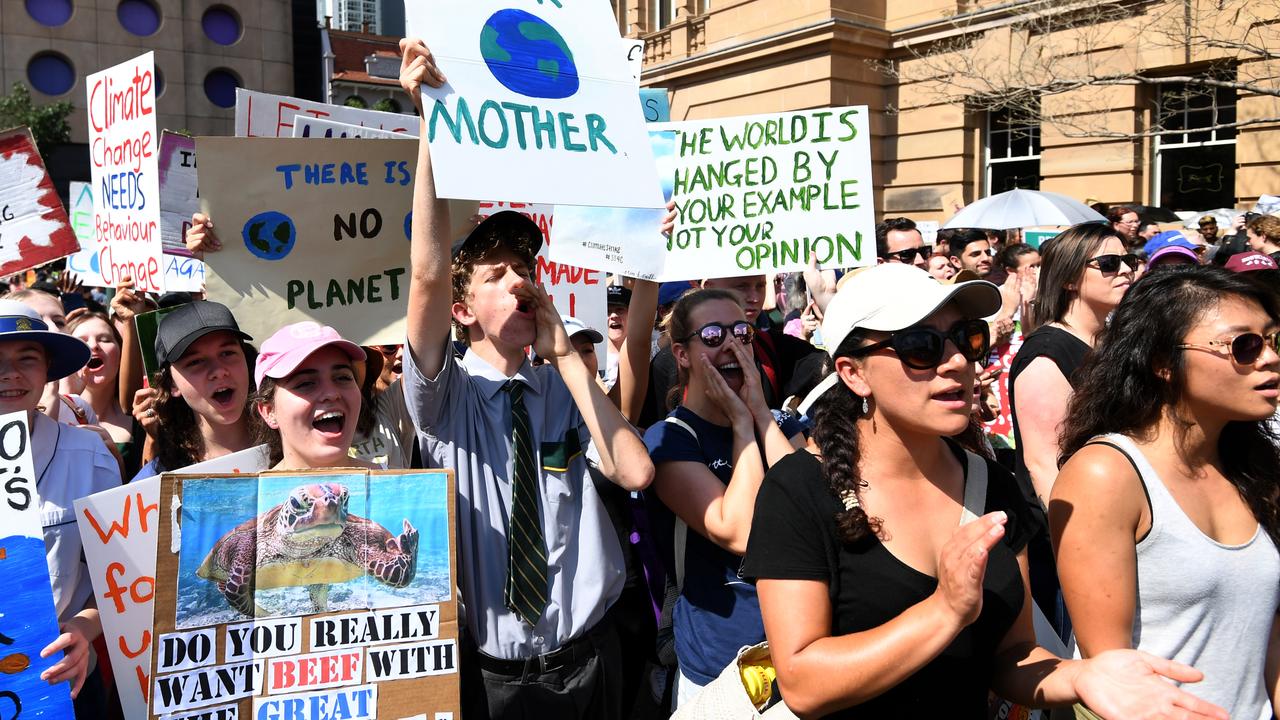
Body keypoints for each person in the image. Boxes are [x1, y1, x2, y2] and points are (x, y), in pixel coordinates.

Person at [740, 266, 1225, 718]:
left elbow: (1012, 655)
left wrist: (1083, 675)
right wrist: (944, 610)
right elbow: (803, 684)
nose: (955, 362)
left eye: (965, 338)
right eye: (920, 346)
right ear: (854, 373)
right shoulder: (796, 490)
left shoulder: (991, 481)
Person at [399, 37, 654, 720]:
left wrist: (566, 357)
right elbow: (425, 272)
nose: (521, 282)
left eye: (527, 270)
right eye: (498, 274)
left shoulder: (559, 389)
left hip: (593, 658)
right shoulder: (442, 397)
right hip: (499, 680)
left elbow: (635, 474)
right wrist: (431, 123)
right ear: (462, 310)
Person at [1053, 266, 1280, 718]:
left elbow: (1267, 636)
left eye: (1274, 340)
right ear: (1162, 362)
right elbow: (1113, 672)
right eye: (1245, 346)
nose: (1269, 358)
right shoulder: (1106, 473)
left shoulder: (1254, 468)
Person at [642, 288, 804, 708]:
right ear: (681, 355)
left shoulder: (782, 424)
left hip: (800, 645)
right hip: (720, 664)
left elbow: (810, 512)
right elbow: (741, 534)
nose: (732, 345)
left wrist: (762, 414)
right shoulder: (671, 438)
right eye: (713, 335)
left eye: (742, 333)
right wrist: (741, 425)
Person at [1009, 222, 1135, 638]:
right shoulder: (1047, 352)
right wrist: (1086, 547)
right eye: (1109, 263)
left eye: (1129, 261)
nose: (1126, 271)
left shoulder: (1112, 342)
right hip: (1071, 543)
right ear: (1067, 279)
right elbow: (1044, 466)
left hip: (1121, 524)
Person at [0, 301, 121, 715]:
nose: (10, 374)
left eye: (26, 359)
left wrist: (84, 629)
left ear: (47, 368)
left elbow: (115, 579)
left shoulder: (89, 455)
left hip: (63, 680)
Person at [132, 300, 257, 480]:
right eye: (195, 362)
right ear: (172, 384)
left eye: (227, 353)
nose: (219, 371)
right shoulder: (155, 481)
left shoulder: (295, 448)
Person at [251, 321, 377, 470]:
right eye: (305, 384)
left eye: (342, 377)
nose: (331, 394)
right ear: (269, 411)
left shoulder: (400, 486)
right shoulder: (252, 493)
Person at [67, 312, 144, 477]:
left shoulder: (142, 416)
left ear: (121, 353)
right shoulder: (50, 415)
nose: (94, 346)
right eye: (82, 341)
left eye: (105, 340)